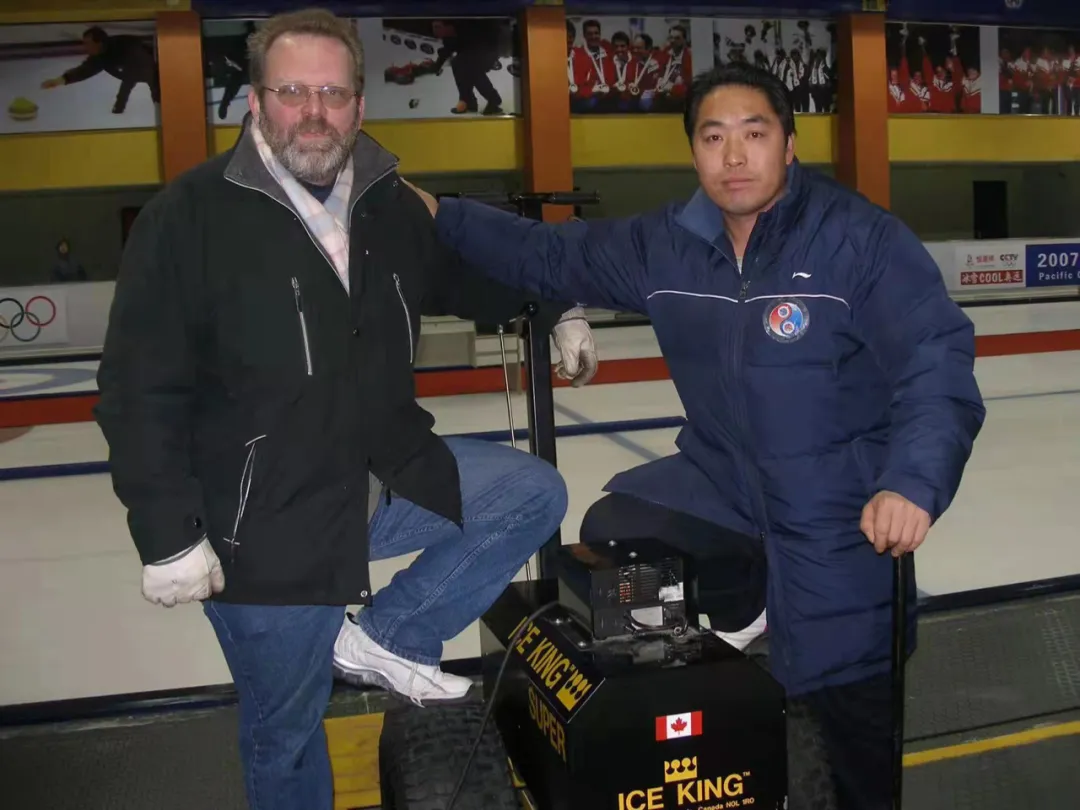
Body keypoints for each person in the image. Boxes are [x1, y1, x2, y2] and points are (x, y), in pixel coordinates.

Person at [404, 62, 985, 810]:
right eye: (714, 138)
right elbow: (550, 255)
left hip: (837, 509)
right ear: (694, 152)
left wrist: (911, 482)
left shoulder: (861, 241)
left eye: (754, 134)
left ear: (790, 144)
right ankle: (749, 608)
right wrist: (440, 214)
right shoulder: (667, 244)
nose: (734, 156)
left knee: (852, 734)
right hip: (725, 485)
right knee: (618, 525)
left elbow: (937, 364)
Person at [94, 9, 597, 810]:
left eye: (332, 93)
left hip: (379, 479)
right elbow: (136, 388)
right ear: (256, 101)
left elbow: (460, 277)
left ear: (360, 105)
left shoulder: (386, 205)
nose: (314, 112)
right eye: (293, 91)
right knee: (287, 735)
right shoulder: (188, 217)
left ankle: (389, 634)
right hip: (261, 527)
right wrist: (166, 534)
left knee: (529, 493)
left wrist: (553, 305)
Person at [41, 26, 160, 114]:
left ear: (99, 43)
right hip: (132, 72)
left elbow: (145, 67)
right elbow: (84, 70)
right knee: (125, 90)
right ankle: (118, 111)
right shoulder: (100, 56)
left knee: (155, 93)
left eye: (88, 44)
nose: (85, 47)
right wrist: (59, 80)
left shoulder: (126, 47)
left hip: (155, 69)